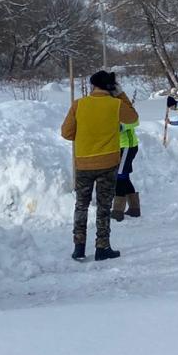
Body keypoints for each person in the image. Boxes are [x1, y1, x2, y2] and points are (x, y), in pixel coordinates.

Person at [61, 70, 138, 261]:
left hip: (84, 163)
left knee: (81, 205)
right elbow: (133, 118)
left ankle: (79, 247)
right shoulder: (115, 104)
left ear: (92, 85)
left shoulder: (79, 104)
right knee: (104, 206)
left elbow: (66, 133)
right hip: (108, 162)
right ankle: (102, 247)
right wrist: (120, 94)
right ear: (111, 87)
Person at [111, 118, 141, 220]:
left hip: (127, 146)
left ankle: (118, 211)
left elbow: (135, 120)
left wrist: (121, 127)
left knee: (120, 177)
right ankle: (134, 209)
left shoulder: (123, 104)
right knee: (124, 177)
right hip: (119, 146)